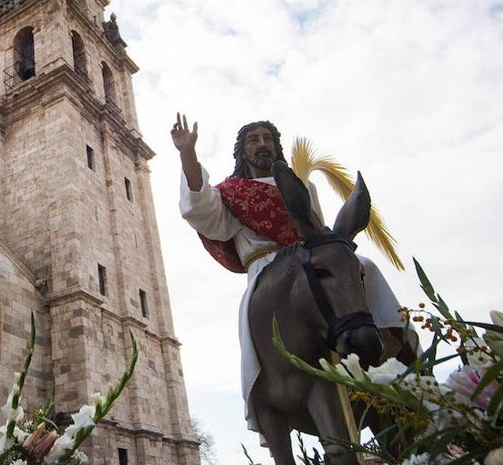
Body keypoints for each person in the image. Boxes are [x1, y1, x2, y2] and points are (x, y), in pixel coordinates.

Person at [171, 115, 414, 432]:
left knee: (363, 266)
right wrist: (187, 153)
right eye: (253, 139)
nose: (262, 144)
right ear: (242, 151)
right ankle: (263, 391)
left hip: (311, 258)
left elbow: (319, 228)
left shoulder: (303, 186)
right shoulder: (232, 193)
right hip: (267, 267)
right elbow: (200, 210)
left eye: (267, 138)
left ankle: (396, 341)